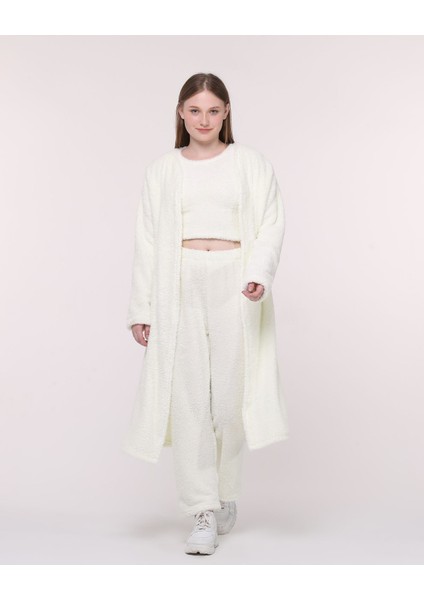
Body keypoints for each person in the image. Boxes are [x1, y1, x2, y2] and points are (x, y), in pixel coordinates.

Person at [123, 72, 289, 555]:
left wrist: (258, 271)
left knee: (231, 401)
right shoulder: (162, 170)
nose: (204, 119)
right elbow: (147, 241)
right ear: (181, 113)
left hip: (235, 282)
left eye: (213, 110)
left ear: (226, 113)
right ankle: (201, 508)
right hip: (179, 281)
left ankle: (226, 491)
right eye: (194, 110)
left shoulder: (250, 163)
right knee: (190, 398)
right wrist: (142, 308)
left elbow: (271, 223)